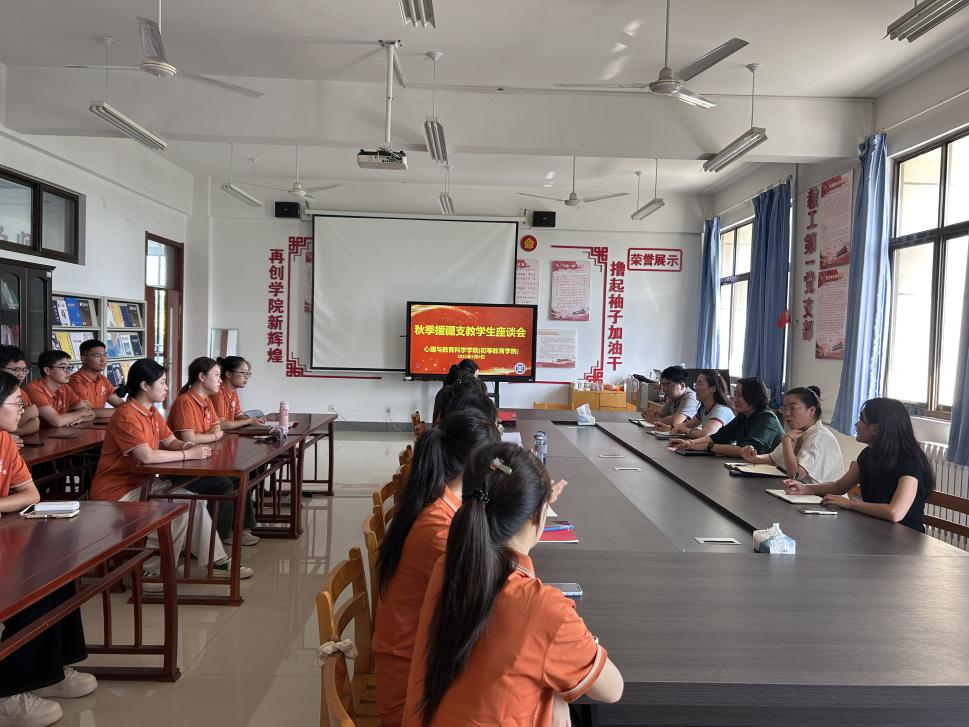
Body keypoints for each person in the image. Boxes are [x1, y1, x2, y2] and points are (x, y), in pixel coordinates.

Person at [402, 442, 621, 726]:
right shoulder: (543, 608)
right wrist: (558, 676)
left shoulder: (449, 565)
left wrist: (553, 691)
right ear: (536, 516)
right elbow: (613, 690)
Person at [374, 411, 503, 727]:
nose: (499, 475)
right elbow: (492, 598)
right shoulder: (439, 529)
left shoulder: (438, 501)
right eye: (497, 466)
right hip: (410, 695)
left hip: (417, 668)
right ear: (477, 467)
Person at [90, 358, 252, 585]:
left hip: (141, 483)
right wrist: (188, 454)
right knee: (176, 510)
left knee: (193, 502)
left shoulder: (151, 412)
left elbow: (170, 441)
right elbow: (147, 456)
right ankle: (151, 573)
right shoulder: (127, 414)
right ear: (145, 386)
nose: (167, 388)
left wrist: (191, 447)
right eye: (163, 383)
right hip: (117, 491)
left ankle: (215, 560)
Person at [0, 372, 97, 727]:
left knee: (55, 575)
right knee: (25, 589)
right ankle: (8, 691)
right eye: (16, 403)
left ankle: (49, 671)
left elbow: (31, 494)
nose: (22, 410)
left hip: (5, 535)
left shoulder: (4, 441)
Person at [783, 398, 935, 532]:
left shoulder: (910, 462)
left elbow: (895, 512)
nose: (856, 424)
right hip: (874, 528)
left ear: (876, 429)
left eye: (861, 419)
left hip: (904, 538)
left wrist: (851, 504)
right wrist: (806, 488)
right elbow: (839, 486)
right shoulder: (869, 454)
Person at [168, 357, 259, 548]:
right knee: (223, 483)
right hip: (182, 465)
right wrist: (212, 436)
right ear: (202, 377)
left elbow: (217, 429)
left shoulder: (207, 400)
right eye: (216, 375)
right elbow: (189, 438)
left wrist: (209, 435)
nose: (219, 380)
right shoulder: (185, 402)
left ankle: (242, 528)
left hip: (202, 458)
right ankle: (219, 535)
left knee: (240, 477)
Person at [740, 386, 844, 483]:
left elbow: (795, 475)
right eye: (784, 408)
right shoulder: (798, 432)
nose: (787, 413)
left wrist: (786, 440)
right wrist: (754, 458)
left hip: (821, 496)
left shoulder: (820, 437)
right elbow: (772, 459)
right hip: (800, 492)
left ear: (811, 410)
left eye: (793, 407)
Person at [672, 377, 783, 456]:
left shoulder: (767, 418)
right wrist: (690, 443)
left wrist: (708, 446)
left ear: (754, 398)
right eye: (735, 394)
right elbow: (718, 437)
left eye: (740, 395)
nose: (735, 399)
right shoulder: (743, 416)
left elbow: (745, 450)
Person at [24, 350, 94, 428]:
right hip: (39, 435)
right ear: (47, 370)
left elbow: (91, 412)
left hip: (60, 433)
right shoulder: (34, 390)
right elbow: (57, 421)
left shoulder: (65, 388)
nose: (68, 372)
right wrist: (82, 413)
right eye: (63, 367)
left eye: (69, 367)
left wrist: (81, 419)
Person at [658, 370, 733, 439]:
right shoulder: (703, 409)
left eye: (699, 384)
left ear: (713, 388)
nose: (696, 388)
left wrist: (686, 430)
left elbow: (705, 434)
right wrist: (670, 428)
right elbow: (688, 425)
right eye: (696, 384)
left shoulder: (720, 410)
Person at [68, 339, 125, 420]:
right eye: (97, 356)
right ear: (83, 359)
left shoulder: (102, 379)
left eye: (105, 355)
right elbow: (88, 412)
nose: (103, 360)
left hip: (98, 424)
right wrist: (123, 411)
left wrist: (127, 409)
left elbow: (119, 403)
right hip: (81, 426)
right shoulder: (75, 381)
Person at [209, 356, 266, 431]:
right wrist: (249, 421)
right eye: (243, 373)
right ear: (229, 374)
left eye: (248, 373)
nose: (246, 377)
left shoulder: (233, 393)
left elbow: (238, 416)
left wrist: (254, 421)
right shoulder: (218, 392)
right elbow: (221, 425)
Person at [0, 345, 40, 440]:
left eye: (24, 370)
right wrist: (28, 413)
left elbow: (36, 423)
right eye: (16, 370)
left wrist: (11, 436)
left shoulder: (19, 392)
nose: (21, 375)